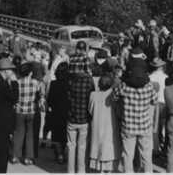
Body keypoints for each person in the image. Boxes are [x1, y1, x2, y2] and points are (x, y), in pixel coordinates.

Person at [112, 71, 158, 173]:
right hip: (144, 126)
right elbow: (155, 101)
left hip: (128, 126)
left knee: (128, 156)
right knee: (146, 157)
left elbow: (114, 97)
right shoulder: (149, 86)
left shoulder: (124, 86)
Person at [66, 42, 95, 173]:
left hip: (72, 116)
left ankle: (70, 171)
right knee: (82, 146)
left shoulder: (70, 79)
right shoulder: (89, 80)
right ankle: (81, 171)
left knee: (71, 146)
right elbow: (92, 96)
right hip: (84, 118)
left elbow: (67, 96)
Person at [88, 74, 122, 173]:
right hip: (111, 125)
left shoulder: (93, 94)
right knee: (110, 148)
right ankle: (109, 170)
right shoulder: (114, 95)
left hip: (97, 124)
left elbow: (90, 110)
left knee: (98, 147)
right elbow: (119, 112)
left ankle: (100, 170)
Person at [12, 62, 40, 166]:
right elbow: (38, 93)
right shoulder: (35, 82)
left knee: (18, 133)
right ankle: (28, 158)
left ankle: (15, 156)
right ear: (30, 72)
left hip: (19, 111)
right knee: (30, 134)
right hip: (31, 110)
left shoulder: (16, 82)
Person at [47, 62, 70, 164]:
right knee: (64, 135)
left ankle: (59, 155)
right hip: (67, 111)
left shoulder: (53, 84)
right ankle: (63, 154)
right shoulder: (69, 84)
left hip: (56, 111)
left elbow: (49, 100)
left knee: (56, 135)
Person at [149, 57, 168, 155]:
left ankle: (156, 148)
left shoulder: (150, 77)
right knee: (163, 126)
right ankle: (164, 146)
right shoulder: (166, 77)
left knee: (155, 126)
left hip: (153, 103)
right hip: (164, 103)